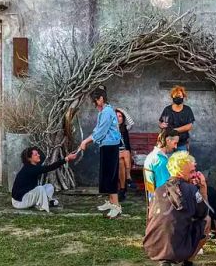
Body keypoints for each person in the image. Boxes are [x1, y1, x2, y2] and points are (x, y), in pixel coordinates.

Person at [143, 151, 210, 266]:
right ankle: (187, 265)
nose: (195, 174)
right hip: (178, 249)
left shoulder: (158, 190)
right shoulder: (191, 190)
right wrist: (203, 189)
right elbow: (203, 213)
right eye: (191, 172)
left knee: (167, 220)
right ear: (180, 174)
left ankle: (164, 261)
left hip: (152, 246)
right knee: (207, 220)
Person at [79, 86, 122, 218]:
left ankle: (116, 206)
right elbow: (97, 130)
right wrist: (87, 140)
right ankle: (110, 202)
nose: (95, 104)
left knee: (110, 176)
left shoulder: (108, 112)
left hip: (110, 147)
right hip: (105, 146)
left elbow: (100, 131)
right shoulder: (103, 112)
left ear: (102, 99)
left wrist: (85, 141)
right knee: (106, 175)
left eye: (96, 101)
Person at [11, 147, 77, 212]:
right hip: (19, 202)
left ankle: (42, 203)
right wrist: (66, 159)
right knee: (40, 189)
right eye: (36, 154)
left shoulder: (32, 167)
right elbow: (50, 168)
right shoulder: (30, 169)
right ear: (29, 158)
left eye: (38, 154)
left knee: (49, 186)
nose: (38, 155)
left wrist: (66, 158)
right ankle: (43, 206)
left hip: (26, 197)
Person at [143, 129, 180, 203]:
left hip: (152, 197)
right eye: (175, 143)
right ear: (168, 140)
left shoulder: (151, 156)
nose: (175, 147)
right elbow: (164, 188)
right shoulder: (161, 161)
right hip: (161, 202)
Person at [158, 85, 195, 152]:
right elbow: (160, 123)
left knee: (181, 161)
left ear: (183, 96)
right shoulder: (167, 109)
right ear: (172, 97)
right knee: (168, 162)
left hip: (182, 143)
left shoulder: (187, 110)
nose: (178, 98)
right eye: (176, 97)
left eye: (179, 96)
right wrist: (161, 125)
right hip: (168, 144)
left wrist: (174, 130)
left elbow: (189, 126)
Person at [115, 108, 134, 202]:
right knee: (126, 153)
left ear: (123, 118)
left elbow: (132, 123)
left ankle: (122, 190)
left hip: (124, 156)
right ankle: (128, 177)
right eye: (116, 116)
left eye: (120, 116)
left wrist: (122, 110)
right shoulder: (110, 129)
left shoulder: (125, 128)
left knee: (122, 162)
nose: (118, 118)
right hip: (115, 153)